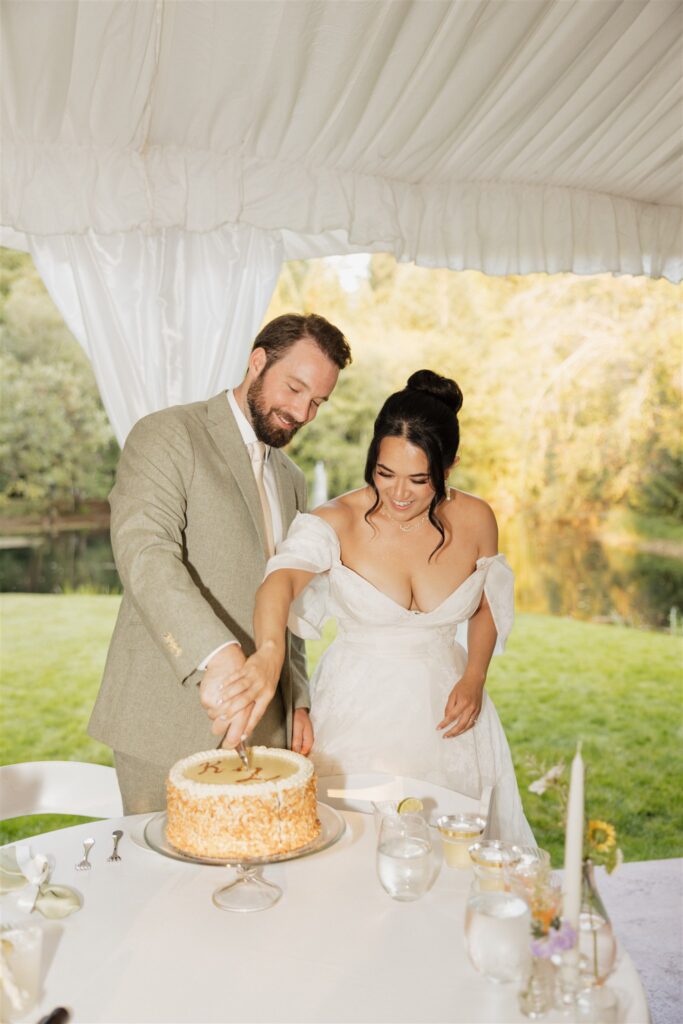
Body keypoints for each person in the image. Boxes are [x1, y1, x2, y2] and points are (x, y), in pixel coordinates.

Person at [216, 369, 534, 844]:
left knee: (456, 857)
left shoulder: (476, 518)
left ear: (448, 468)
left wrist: (475, 677)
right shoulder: (335, 521)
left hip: (451, 719)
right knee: (350, 850)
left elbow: (486, 604)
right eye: (385, 474)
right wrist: (267, 652)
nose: (399, 494)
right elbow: (278, 583)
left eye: (419, 479)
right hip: (356, 717)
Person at [88, 313, 352, 813]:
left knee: (252, 878)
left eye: (317, 401)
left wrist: (295, 698)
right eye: (295, 389)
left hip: (265, 728)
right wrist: (215, 654)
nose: (302, 412)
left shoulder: (292, 479)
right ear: (258, 362)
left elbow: (287, 594)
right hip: (164, 723)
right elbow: (146, 553)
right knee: (162, 887)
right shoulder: (167, 434)